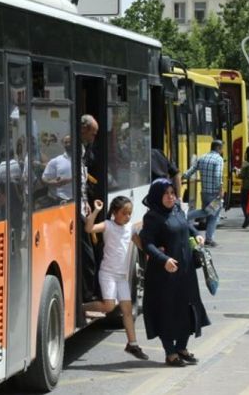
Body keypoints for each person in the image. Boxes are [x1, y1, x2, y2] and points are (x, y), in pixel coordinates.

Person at [140, 179, 210, 367]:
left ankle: (181, 347)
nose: (171, 197)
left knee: (188, 307)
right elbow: (147, 243)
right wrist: (164, 260)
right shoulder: (153, 217)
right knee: (167, 312)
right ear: (157, 196)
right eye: (166, 193)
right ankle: (170, 352)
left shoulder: (177, 209)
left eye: (172, 192)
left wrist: (196, 233)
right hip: (164, 274)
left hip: (185, 271)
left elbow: (186, 226)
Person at [82, 197, 149, 361]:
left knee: (127, 310)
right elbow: (89, 228)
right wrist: (96, 210)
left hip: (121, 277)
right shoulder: (108, 226)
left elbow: (142, 245)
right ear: (114, 213)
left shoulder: (130, 229)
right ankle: (80, 308)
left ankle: (132, 344)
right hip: (107, 273)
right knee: (109, 306)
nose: (127, 217)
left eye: (130, 214)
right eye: (124, 213)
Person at [183, 140, 224, 247]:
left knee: (210, 213)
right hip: (214, 193)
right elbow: (218, 176)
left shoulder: (203, 157)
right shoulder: (218, 159)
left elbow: (191, 170)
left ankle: (209, 239)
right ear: (219, 148)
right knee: (210, 214)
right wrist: (220, 190)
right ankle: (185, 216)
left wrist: (183, 176)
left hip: (204, 192)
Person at [79, 114, 99, 304]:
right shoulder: (76, 150)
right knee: (88, 256)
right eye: (92, 134)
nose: (94, 138)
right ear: (83, 129)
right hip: (77, 211)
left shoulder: (84, 149)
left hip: (83, 208)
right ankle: (87, 294)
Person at [41, 135, 73, 202]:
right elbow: (44, 178)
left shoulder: (81, 160)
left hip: (79, 200)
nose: (68, 144)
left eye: (70, 142)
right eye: (66, 142)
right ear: (63, 144)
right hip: (62, 200)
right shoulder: (56, 161)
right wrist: (52, 182)